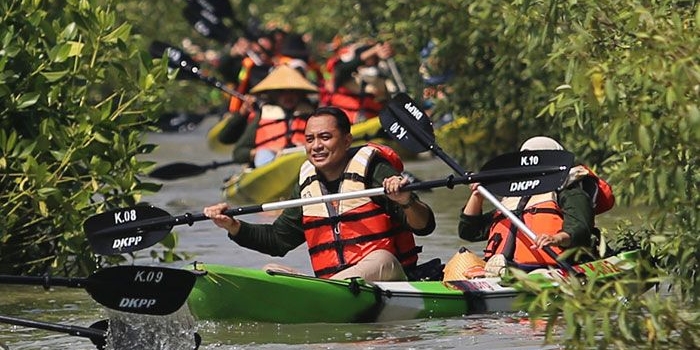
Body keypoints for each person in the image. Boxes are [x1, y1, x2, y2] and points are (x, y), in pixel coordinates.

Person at [204, 106, 436, 282]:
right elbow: (277, 240)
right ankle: (327, 292)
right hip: (337, 285)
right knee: (270, 271)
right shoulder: (307, 182)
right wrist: (233, 226)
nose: (316, 146)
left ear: (347, 141)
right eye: (309, 139)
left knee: (381, 258)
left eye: (325, 137)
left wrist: (406, 201)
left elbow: (424, 225)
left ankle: (330, 291)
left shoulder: (373, 170)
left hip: (390, 280)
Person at [457, 136, 613, 276]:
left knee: (534, 273)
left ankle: (505, 273)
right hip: (505, 268)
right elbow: (469, 231)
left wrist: (556, 238)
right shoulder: (514, 197)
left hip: (553, 268)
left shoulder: (570, 192)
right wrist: (477, 195)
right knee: (461, 260)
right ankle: (501, 272)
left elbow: (580, 228)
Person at [229, 64, 318, 167]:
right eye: (281, 92)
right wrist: (260, 152)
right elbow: (238, 153)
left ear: (300, 93)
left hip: (304, 160)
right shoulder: (262, 115)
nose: (288, 96)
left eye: (292, 91)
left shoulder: (312, 114)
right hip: (271, 163)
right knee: (263, 155)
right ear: (273, 94)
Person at [322, 40, 395, 123]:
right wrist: (373, 51)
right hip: (354, 124)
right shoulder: (346, 76)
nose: (374, 59)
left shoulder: (379, 76)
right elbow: (341, 70)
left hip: (378, 120)